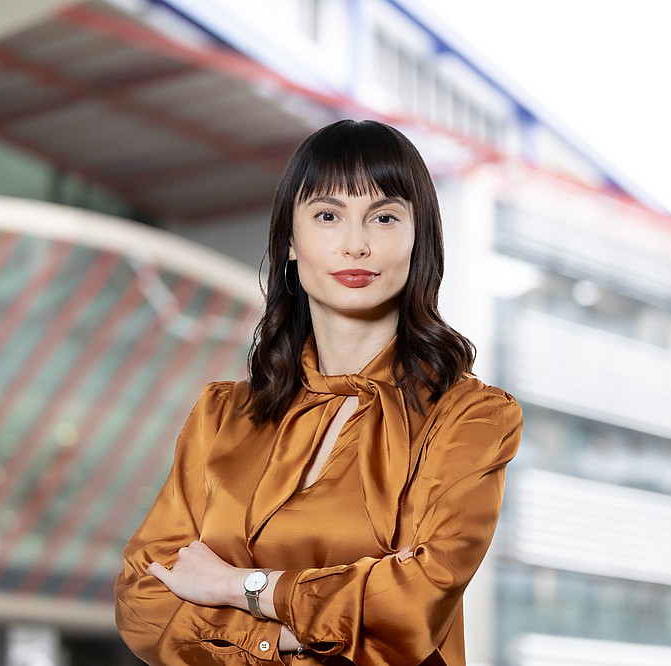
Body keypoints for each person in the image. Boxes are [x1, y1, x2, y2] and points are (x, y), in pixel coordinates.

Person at [114, 119, 522, 665]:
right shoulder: (221, 414)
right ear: (290, 239)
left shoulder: (471, 417)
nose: (356, 244)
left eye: (383, 217)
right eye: (328, 216)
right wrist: (304, 627)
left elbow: (412, 604)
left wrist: (237, 587)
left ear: (417, 238)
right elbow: (142, 603)